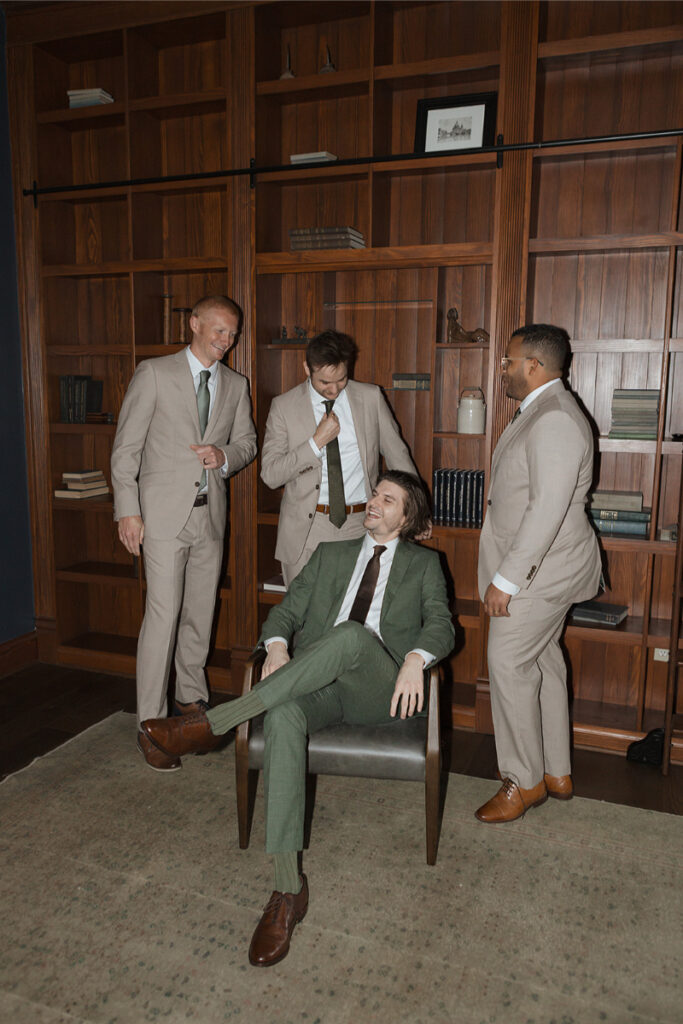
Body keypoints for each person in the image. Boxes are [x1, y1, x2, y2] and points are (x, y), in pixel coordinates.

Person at [142, 470, 454, 966]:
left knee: (352, 636)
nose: (373, 502)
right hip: (318, 686)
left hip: (379, 688)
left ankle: (213, 724)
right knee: (284, 713)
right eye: (373, 493)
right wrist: (279, 646)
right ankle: (287, 890)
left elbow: (441, 622)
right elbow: (284, 613)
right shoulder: (331, 555)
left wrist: (417, 658)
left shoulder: (424, 565)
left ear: (407, 516)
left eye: (387, 499)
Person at [111, 295, 257, 772]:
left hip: (209, 517)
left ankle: (190, 705)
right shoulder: (154, 373)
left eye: (232, 334)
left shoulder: (236, 384)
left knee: (200, 614)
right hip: (161, 519)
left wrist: (226, 457)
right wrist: (127, 512)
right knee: (162, 616)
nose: (226, 341)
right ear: (193, 324)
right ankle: (151, 725)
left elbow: (247, 443)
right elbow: (125, 449)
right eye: (218, 331)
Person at [475, 324, 601, 824]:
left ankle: (523, 781)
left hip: (540, 571)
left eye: (508, 361)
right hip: (551, 565)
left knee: (506, 661)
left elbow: (546, 509)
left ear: (533, 365)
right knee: (543, 660)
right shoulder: (545, 411)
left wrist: (506, 580)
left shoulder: (554, 419)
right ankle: (555, 771)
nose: (502, 369)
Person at [260, 329, 419, 586]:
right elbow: (271, 474)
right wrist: (315, 443)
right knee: (305, 622)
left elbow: (397, 453)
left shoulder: (370, 397)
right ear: (306, 368)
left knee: (355, 618)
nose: (334, 389)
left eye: (342, 379)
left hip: (361, 524)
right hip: (306, 530)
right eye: (324, 382)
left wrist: (416, 510)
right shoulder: (283, 406)